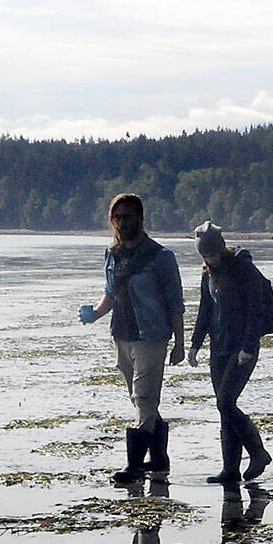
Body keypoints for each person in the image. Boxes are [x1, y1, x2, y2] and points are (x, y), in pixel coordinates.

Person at [81, 193, 184, 484]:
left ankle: (135, 466)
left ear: (140, 218)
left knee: (144, 397)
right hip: (122, 335)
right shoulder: (111, 254)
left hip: (152, 335)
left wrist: (179, 343)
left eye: (128, 216)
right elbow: (110, 293)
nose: (122, 222)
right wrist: (95, 313)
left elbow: (175, 302)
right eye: (118, 217)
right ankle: (160, 458)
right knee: (139, 400)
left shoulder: (161, 257)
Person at [187, 221, 273, 484]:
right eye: (205, 256)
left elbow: (256, 308)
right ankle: (230, 470)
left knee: (225, 402)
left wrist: (248, 347)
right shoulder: (207, 273)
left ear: (221, 249)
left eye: (213, 255)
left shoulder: (243, 268)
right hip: (219, 347)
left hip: (242, 348)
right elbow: (205, 310)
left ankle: (258, 453)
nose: (210, 260)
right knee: (224, 410)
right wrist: (195, 344)